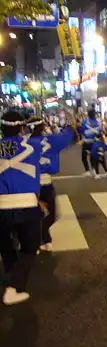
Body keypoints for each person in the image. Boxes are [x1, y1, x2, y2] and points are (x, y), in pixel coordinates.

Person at [0, 111, 43, 305]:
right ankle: (13, 286)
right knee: (30, 247)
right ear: (20, 128)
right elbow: (36, 178)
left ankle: (11, 281)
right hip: (26, 204)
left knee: (5, 246)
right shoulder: (32, 148)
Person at [27, 117, 74, 251]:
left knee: (37, 215)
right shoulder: (51, 140)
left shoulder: (24, 143)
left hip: (29, 185)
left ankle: (42, 238)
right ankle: (43, 238)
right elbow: (69, 136)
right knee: (52, 215)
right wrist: (66, 125)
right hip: (45, 184)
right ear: (41, 127)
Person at [79, 109, 102, 175]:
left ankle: (87, 170)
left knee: (84, 157)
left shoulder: (84, 121)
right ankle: (94, 170)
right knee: (93, 157)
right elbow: (100, 133)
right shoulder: (98, 122)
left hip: (86, 142)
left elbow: (82, 131)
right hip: (94, 142)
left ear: (88, 114)